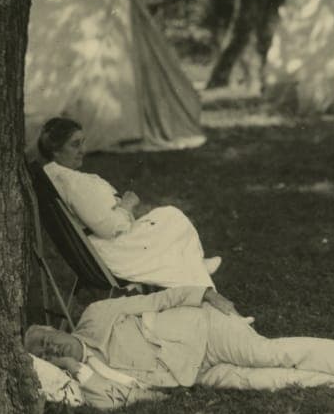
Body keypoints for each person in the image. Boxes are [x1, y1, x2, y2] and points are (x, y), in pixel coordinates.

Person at [24, 285, 334, 393]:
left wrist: (206, 295)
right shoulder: (88, 376)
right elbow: (126, 397)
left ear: (55, 328)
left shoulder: (95, 314)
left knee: (264, 353)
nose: (49, 347)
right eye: (42, 352)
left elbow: (158, 299)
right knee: (264, 381)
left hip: (200, 329)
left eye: (44, 337)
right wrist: (78, 369)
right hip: (192, 374)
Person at [37, 117, 222, 289]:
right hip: (110, 251)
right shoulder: (71, 183)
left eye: (82, 143)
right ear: (56, 150)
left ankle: (195, 266)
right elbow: (108, 227)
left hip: (105, 245)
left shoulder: (57, 177)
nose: (82, 151)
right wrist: (126, 205)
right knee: (171, 217)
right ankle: (196, 269)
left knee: (169, 217)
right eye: (75, 145)